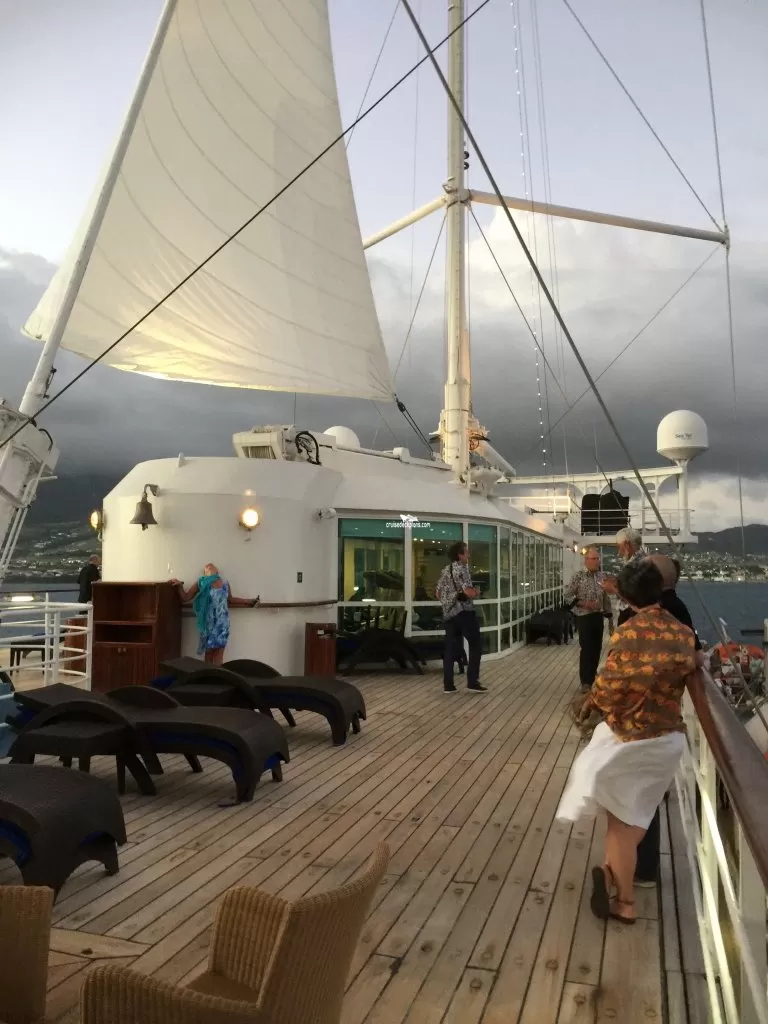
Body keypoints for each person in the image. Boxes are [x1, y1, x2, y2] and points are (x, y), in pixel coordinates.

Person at [556, 560, 695, 925]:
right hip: (667, 741)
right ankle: (608, 872)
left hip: (631, 741)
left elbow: (607, 691)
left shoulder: (628, 633)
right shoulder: (683, 633)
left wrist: (590, 702)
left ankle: (626, 904)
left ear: (626, 596)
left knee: (622, 825)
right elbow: (688, 666)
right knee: (634, 818)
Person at [632, 554, 702, 887]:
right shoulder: (677, 613)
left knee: (639, 794)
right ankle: (641, 866)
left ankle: (642, 869)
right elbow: (695, 655)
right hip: (662, 721)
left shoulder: (660, 615)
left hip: (644, 721)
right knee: (645, 792)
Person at [170, 564, 258, 665]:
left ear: (217, 571)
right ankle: (209, 675)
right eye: (207, 567)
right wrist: (179, 586)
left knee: (219, 656)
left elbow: (230, 599)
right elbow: (185, 597)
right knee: (209, 654)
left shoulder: (225, 583)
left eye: (211, 565)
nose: (210, 565)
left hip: (223, 625)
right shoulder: (201, 582)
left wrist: (249, 601)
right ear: (205, 572)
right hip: (209, 625)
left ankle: (217, 675)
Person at [435, 541, 484, 694]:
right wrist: (476, 592)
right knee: (476, 645)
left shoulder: (446, 570)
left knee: (450, 649)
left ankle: (448, 685)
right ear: (460, 555)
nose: (468, 555)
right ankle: (472, 682)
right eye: (466, 552)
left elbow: (438, 593)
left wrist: (449, 600)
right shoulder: (462, 569)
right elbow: (468, 592)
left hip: (449, 615)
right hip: (464, 612)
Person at [565, 547, 612, 692]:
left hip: (598, 616)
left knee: (597, 648)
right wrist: (585, 603)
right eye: (594, 559)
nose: (597, 561)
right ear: (586, 560)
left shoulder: (602, 576)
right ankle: (585, 681)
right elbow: (567, 597)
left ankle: (592, 676)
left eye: (598, 559)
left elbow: (606, 597)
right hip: (584, 617)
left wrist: (609, 616)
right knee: (587, 648)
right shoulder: (578, 576)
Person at [601, 527, 646, 627]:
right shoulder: (643, 561)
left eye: (619, 547)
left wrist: (613, 589)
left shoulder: (635, 565)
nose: (619, 553)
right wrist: (617, 582)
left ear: (627, 544)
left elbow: (635, 599)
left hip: (632, 616)